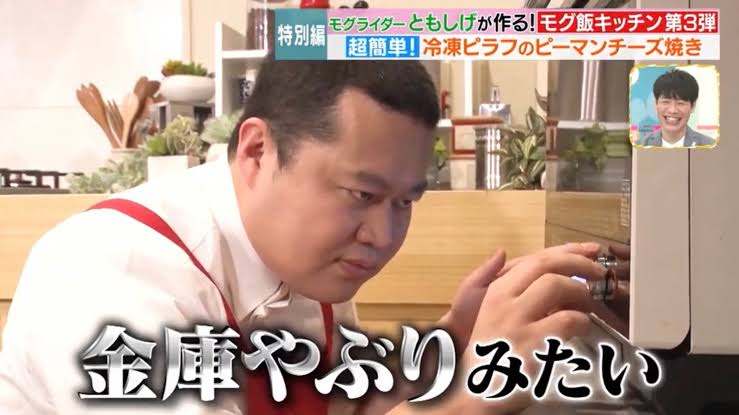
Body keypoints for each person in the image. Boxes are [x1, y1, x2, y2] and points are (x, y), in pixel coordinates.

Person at [0, 56, 607, 414]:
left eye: (405, 202)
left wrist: (447, 348)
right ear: (257, 150)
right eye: (362, 195)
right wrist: (468, 400)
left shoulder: (305, 263)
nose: (383, 236)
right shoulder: (111, 273)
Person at [635, 68, 715, 148]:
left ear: (693, 106)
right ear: (656, 103)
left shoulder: (709, 145)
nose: (672, 110)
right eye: (666, 102)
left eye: (680, 103)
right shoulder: (639, 145)